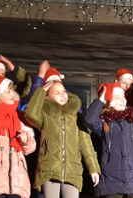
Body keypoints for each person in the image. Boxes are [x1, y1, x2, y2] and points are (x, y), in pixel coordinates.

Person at [24, 65, 100, 198]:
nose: (62, 95)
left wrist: (93, 169)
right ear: (47, 98)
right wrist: (41, 91)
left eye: (63, 91)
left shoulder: (77, 115)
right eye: (57, 93)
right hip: (49, 169)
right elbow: (30, 114)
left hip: (73, 170)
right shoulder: (45, 116)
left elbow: (86, 144)